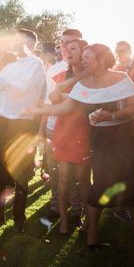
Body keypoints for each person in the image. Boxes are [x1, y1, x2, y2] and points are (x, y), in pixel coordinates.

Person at [28, 44, 134, 248]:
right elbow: (65, 107)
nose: (83, 60)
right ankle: (92, 232)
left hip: (125, 138)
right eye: (82, 57)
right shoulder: (83, 84)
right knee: (99, 183)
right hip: (99, 139)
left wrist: (113, 115)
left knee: (131, 183)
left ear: (102, 59)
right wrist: (36, 111)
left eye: (87, 57)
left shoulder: (121, 78)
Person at [0, 29, 47, 233]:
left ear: (29, 44)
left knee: (21, 172)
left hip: (22, 125)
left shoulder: (36, 65)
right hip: (1, 123)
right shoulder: (9, 67)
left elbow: (20, 89)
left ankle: (19, 219)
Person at [46, 39, 90, 234]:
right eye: (66, 48)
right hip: (64, 130)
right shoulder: (61, 75)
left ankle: (82, 216)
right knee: (63, 177)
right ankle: (64, 220)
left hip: (85, 131)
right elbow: (54, 101)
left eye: (73, 48)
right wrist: (63, 88)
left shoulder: (92, 77)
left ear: (83, 52)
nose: (67, 51)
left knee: (83, 178)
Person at [41, 29, 82, 221]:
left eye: (71, 43)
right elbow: (48, 103)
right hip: (53, 126)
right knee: (55, 170)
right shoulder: (54, 70)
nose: (65, 47)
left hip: (78, 129)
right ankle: (56, 206)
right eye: (63, 43)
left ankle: (75, 209)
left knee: (77, 172)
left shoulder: (86, 70)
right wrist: (41, 129)